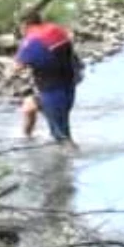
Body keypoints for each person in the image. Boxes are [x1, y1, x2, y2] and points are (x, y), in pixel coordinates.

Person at [12, 11, 82, 148]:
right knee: (29, 107)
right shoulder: (56, 29)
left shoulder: (32, 40)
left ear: (24, 25)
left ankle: (70, 161)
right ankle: (26, 139)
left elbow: (17, 67)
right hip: (69, 84)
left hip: (51, 91)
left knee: (62, 136)